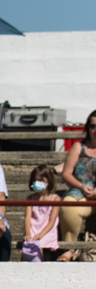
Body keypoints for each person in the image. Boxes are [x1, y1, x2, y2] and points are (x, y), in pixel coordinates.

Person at [56, 111, 96, 259]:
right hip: (81, 193)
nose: (95, 130)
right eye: (92, 126)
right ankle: (70, 249)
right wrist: (80, 187)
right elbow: (66, 173)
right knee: (69, 206)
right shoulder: (79, 147)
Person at [22, 165, 60, 263]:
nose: (37, 183)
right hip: (33, 228)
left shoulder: (55, 199)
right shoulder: (30, 198)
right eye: (35, 180)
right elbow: (27, 217)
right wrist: (28, 233)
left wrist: (41, 234)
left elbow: (52, 221)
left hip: (47, 229)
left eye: (41, 181)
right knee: (30, 242)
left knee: (40, 243)